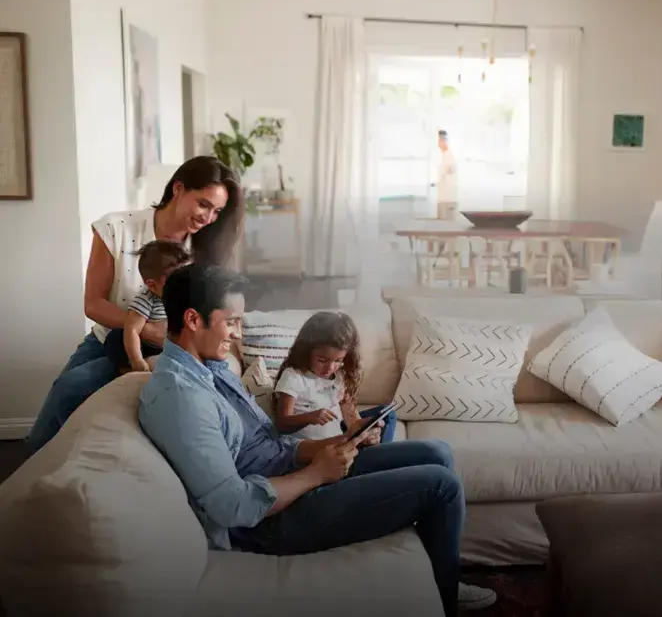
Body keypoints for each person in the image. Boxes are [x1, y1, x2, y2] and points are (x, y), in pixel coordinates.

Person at [138, 264, 496, 615]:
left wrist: (329, 447)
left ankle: (439, 572)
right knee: (441, 486)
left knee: (436, 452)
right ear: (192, 320)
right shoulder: (181, 397)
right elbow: (233, 507)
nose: (237, 333)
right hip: (272, 519)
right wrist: (318, 474)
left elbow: (270, 443)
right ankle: (446, 595)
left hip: (293, 475)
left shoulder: (211, 368)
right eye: (230, 321)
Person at [26, 156, 243, 452]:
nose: (208, 218)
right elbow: (93, 304)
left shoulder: (207, 248)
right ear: (178, 189)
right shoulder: (116, 228)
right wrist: (145, 330)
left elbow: (218, 313)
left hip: (176, 348)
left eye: (217, 211)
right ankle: (30, 467)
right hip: (111, 338)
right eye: (203, 204)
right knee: (69, 388)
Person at [272, 311, 396, 444]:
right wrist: (309, 417)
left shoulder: (339, 376)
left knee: (387, 416)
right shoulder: (294, 376)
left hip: (342, 442)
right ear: (306, 352)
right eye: (322, 360)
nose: (330, 367)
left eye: (338, 360)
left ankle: (374, 453)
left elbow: (352, 420)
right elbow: (281, 424)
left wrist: (366, 435)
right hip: (316, 450)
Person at [102, 240, 191, 373]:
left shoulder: (186, 297)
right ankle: (128, 369)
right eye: (175, 280)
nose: (183, 284)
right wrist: (137, 360)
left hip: (173, 347)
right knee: (116, 338)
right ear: (152, 285)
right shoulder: (146, 300)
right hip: (148, 348)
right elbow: (132, 330)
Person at [435, 129, 458, 220]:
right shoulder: (440, 155)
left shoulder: (450, 154)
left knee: (448, 219)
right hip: (442, 194)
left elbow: (451, 171)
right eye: (439, 139)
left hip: (449, 195)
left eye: (442, 139)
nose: (440, 142)